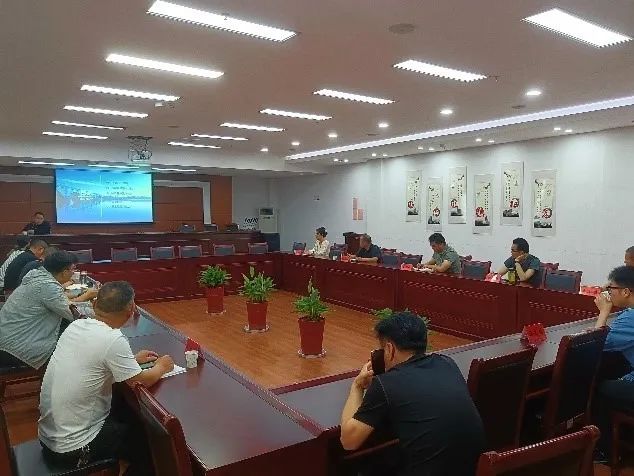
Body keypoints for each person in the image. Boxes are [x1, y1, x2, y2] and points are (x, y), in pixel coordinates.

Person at [39, 281, 174, 475]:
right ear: (131, 310)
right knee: (154, 448)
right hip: (73, 449)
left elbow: (93, 363)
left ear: (95, 304)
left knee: (128, 412)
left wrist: (131, 360)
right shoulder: (112, 339)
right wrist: (162, 366)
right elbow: (141, 380)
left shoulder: (77, 325)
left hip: (49, 438)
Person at [340, 312, 485, 476]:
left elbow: (349, 441)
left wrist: (357, 386)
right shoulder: (447, 363)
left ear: (389, 349)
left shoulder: (386, 383)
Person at [0, 250, 97, 369]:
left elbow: (62, 302)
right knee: (78, 344)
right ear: (64, 271)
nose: (74, 273)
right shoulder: (47, 286)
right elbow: (75, 314)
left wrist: (87, 302)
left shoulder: (37, 276)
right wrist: (100, 309)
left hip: (8, 338)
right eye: (73, 269)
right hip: (17, 348)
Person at [593, 266, 634, 456]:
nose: (608, 293)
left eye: (611, 289)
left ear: (626, 292)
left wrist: (604, 311)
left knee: (600, 387)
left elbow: (597, 345)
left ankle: (605, 450)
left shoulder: (630, 318)